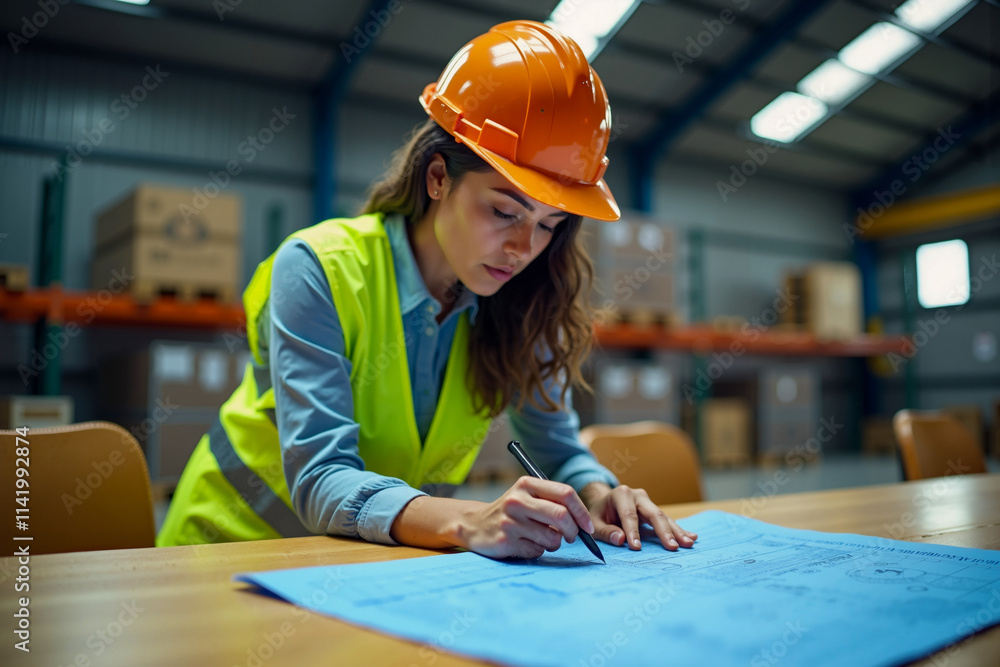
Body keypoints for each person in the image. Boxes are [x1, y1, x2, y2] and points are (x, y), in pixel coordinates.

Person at [157, 19, 697, 559]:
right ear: (438, 178)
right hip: (227, 554)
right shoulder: (317, 269)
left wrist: (598, 493)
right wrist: (469, 522)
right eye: (505, 211)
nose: (523, 248)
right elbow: (321, 477)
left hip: (374, 564)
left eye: (549, 225)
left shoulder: (525, 297)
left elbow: (554, 445)